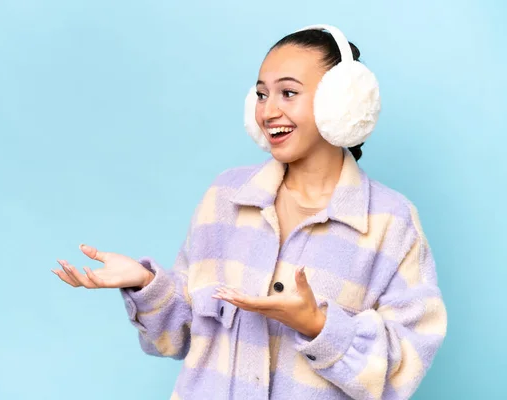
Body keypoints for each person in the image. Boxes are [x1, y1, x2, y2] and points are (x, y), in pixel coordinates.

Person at [52, 24, 447, 400]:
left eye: (287, 93)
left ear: (340, 103)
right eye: (261, 95)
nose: (268, 111)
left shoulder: (390, 222)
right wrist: (147, 284)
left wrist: (319, 326)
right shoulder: (225, 197)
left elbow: (405, 365)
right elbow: (180, 334)